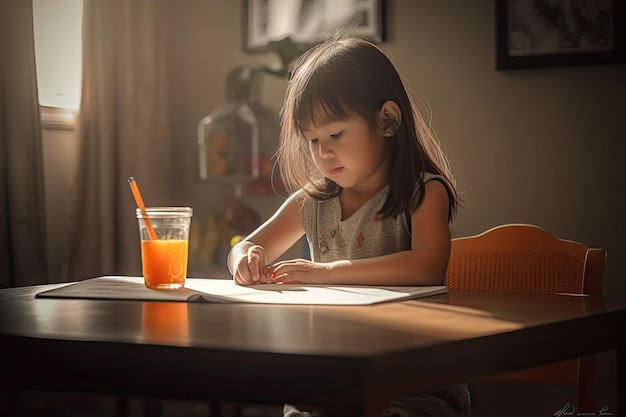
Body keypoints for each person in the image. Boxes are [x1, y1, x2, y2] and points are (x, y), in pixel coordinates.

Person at [227, 32, 470, 416]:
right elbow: (244, 246)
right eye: (312, 140)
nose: (324, 152)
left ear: (387, 120)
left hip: (413, 384)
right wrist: (245, 256)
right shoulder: (313, 202)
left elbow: (426, 268)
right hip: (330, 384)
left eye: (336, 134)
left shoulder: (423, 193)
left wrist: (326, 272)